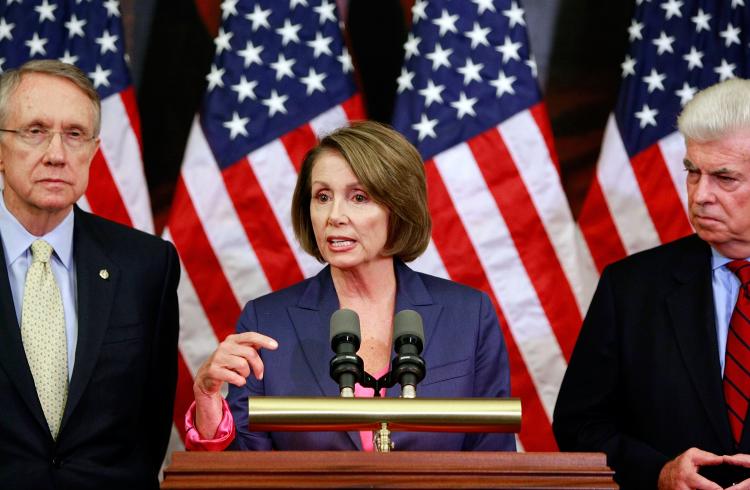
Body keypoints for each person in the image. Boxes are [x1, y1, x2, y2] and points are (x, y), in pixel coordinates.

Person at [186, 120, 515, 452]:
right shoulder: (267, 322)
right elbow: (243, 472)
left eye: (359, 197)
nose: (334, 215)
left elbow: (493, 459)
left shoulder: (469, 316)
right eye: (323, 196)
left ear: (398, 208)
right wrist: (209, 401)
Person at [553, 78, 750, 489]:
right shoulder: (630, 288)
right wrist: (658, 473)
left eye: (725, 178)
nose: (700, 195)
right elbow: (580, 425)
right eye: (693, 172)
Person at [0, 60, 179, 489]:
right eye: (35, 131)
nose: (57, 154)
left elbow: (150, 426)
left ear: (94, 150)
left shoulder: (147, 265)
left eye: (75, 135)